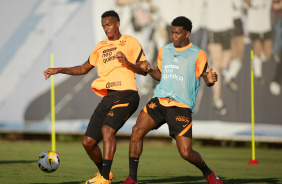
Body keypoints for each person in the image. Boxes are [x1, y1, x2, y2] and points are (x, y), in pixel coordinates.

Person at [43, 10, 147, 184]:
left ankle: (105, 179)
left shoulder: (130, 42)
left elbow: (143, 70)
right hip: (109, 97)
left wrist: (127, 63)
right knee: (88, 142)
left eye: (109, 24)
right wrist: (58, 70)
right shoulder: (100, 46)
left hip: (128, 95)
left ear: (118, 23)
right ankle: (104, 173)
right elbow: (83, 69)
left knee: (107, 130)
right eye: (103, 26)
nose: (106, 28)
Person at [122, 16, 223, 184]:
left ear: (187, 33)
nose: (174, 36)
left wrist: (210, 79)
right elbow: (160, 76)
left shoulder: (197, 53)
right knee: (136, 130)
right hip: (160, 100)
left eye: (177, 33)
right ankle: (132, 178)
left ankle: (209, 173)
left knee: (186, 152)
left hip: (180, 107)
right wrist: (149, 70)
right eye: (172, 32)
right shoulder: (165, 50)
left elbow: (206, 77)